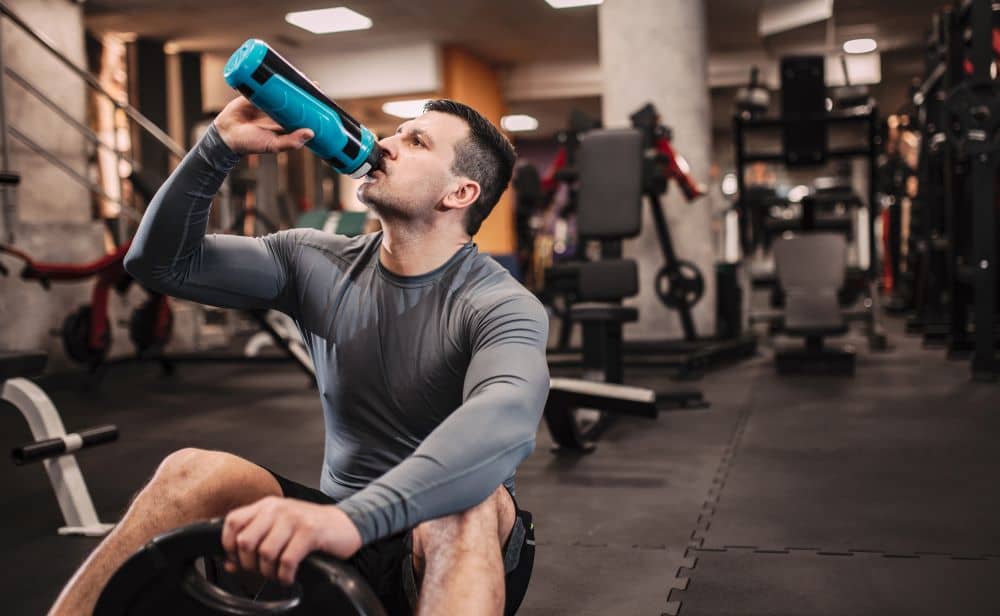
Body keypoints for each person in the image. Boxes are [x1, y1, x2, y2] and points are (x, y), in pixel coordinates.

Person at [49, 95, 550, 616]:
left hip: (444, 548)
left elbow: (505, 423)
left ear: (460, 192)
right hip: (338, 529)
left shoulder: (500, 303)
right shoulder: (312, 259)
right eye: (397, 132)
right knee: (190, 471)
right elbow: (159, 265)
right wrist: (216, 149)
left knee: (466, 508)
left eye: (415, 141)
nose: (385, 145)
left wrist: (354, 519)